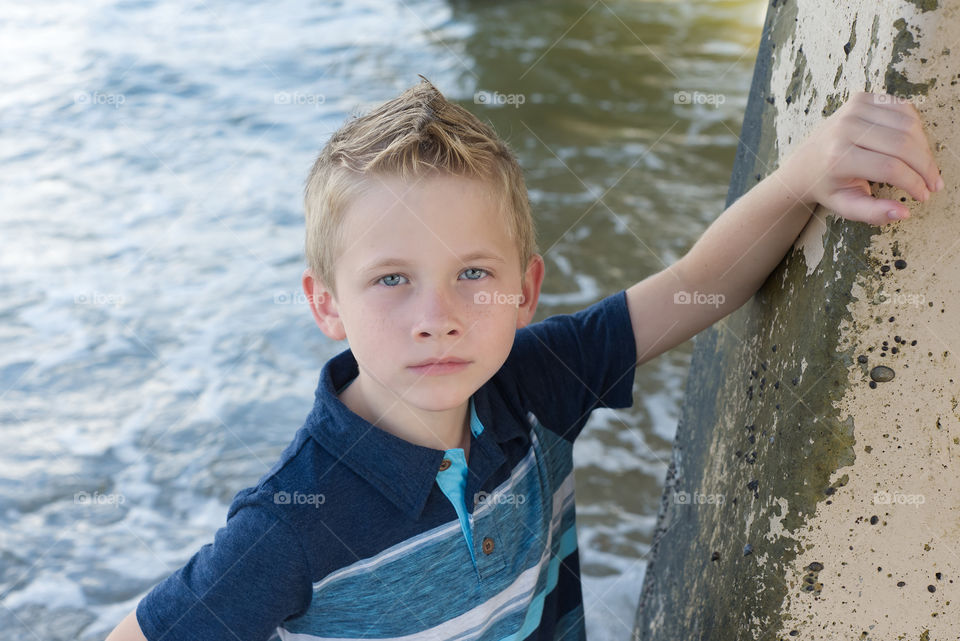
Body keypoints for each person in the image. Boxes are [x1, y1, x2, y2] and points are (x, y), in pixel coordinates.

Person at [106, 78, 942, 641]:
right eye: (392, 279)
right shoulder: (292, 523)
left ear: (525, 287)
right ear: (328, 303)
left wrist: (801, 178)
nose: (436, 318)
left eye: (473, 274)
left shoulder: (533, 384)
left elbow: (696, 286)